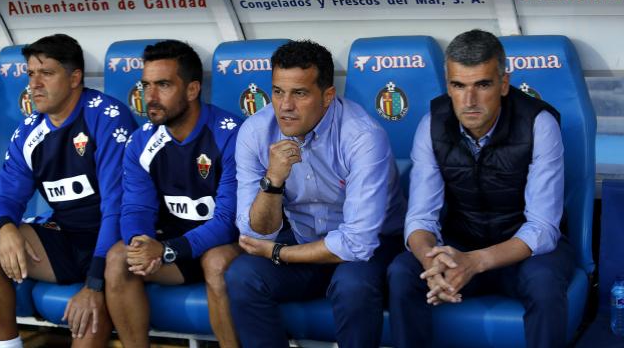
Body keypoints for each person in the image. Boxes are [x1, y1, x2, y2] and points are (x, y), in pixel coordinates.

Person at [387, 29, 576, 348]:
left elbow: (542, 228)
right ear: (448, 85)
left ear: (504, 83)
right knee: (403, 272)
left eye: (482, 85)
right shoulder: (431, 125)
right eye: (458, 86)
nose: (469, 100)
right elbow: (420, 217)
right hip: (462, 241)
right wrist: (430, 260)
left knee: (544, 283)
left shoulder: (539, 123)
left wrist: (475, 262)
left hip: (523, 251)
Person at [226, 39, 406, 348]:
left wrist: (279, 254)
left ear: (327, 96)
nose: (285, 106)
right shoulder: (255, 131)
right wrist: (273, 182)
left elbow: (358, 243)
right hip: (301, 238)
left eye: (299, 93)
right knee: (242, 275)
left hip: (372, 248)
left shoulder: (362, 136)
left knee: (352, 286)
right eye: (278, 91)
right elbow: (254, 232)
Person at [0, 34, 137, 348]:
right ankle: (9, 345)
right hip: (66, 239)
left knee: (89, 325)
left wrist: (94, 284)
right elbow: (4, 198)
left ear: (75, 78)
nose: (34, 84)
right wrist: (6, 227)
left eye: (46, 73)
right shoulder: (30, 130)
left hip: (114, 247)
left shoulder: (106, 117)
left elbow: (117, 209)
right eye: (30, 74)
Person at [104, 40, 241, 348]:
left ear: (192, 90)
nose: (149, 98)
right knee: (118, 258)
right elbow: (136, 208)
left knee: (216, 263)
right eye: (146, 85)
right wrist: (140, 243)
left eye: (163, 85)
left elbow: (229, 221)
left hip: (225, 243)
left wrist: (166, 250)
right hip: (176, 245)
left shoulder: (230, 135)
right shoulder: (142, 141)